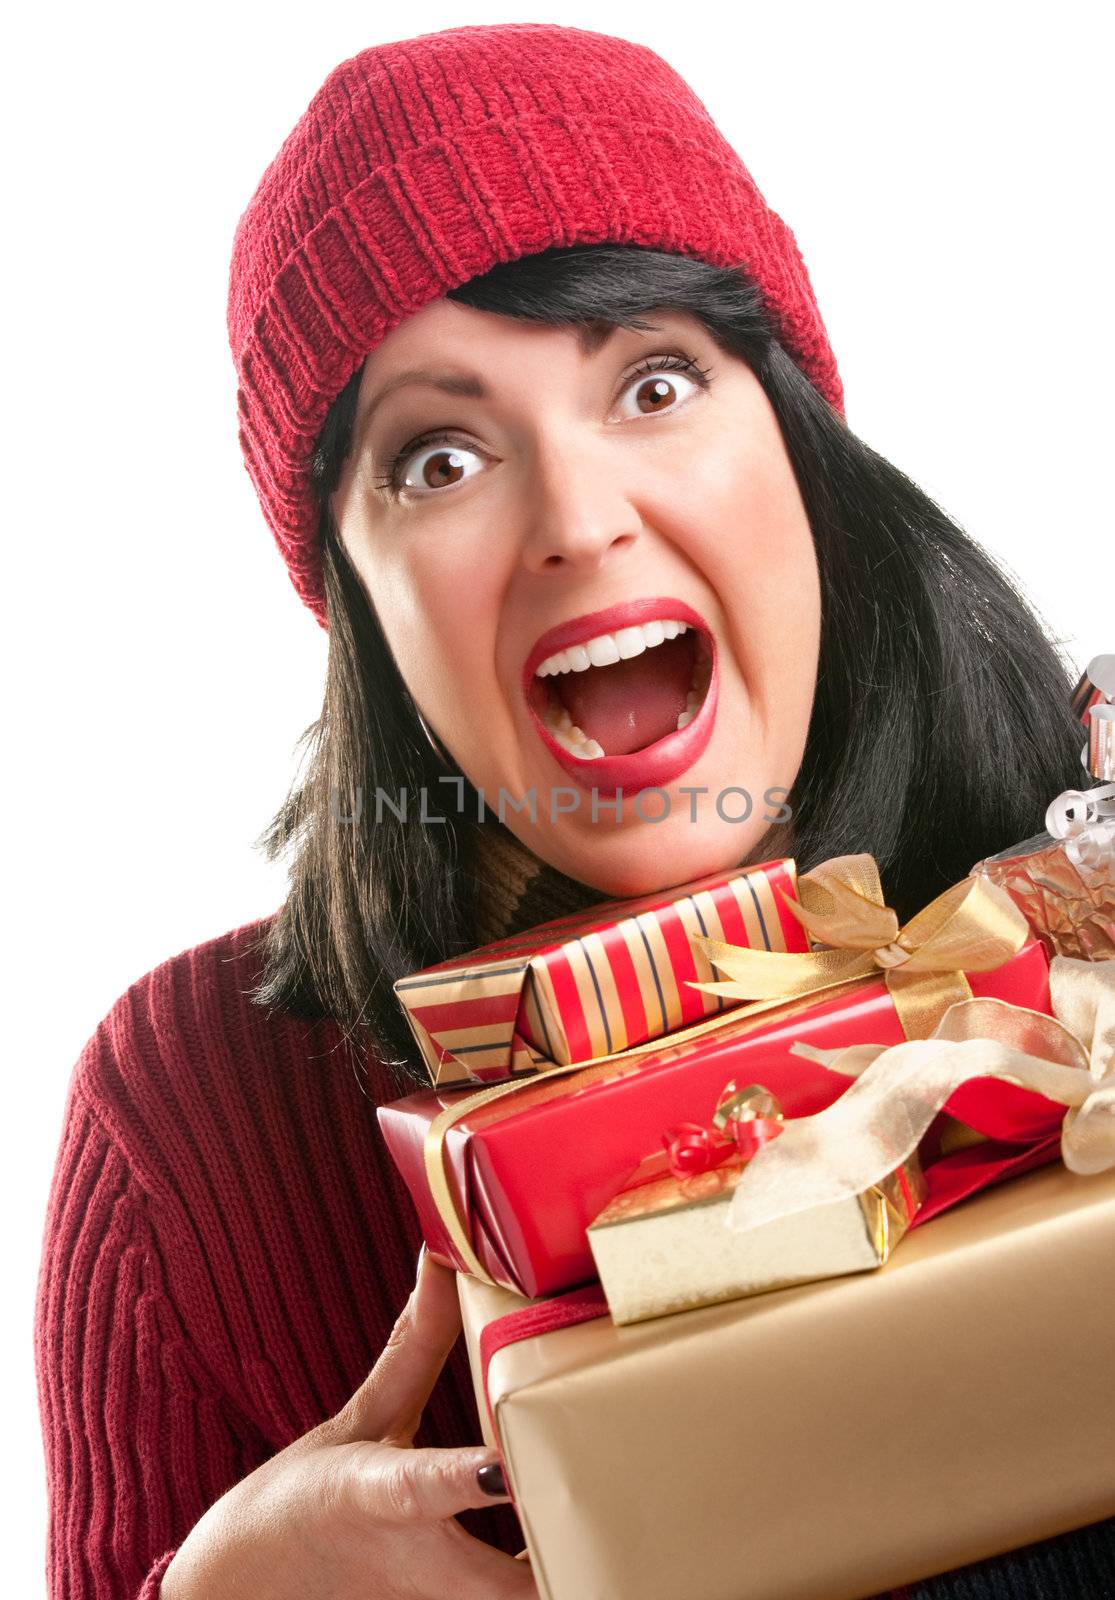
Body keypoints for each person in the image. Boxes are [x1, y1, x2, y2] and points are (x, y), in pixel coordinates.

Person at [33, 21, 1115, 1600]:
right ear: (359, 599)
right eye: (441, 456)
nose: (579, 520)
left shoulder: (1080, 879)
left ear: (799, 445)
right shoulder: (192, 1119)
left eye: (657, 383)